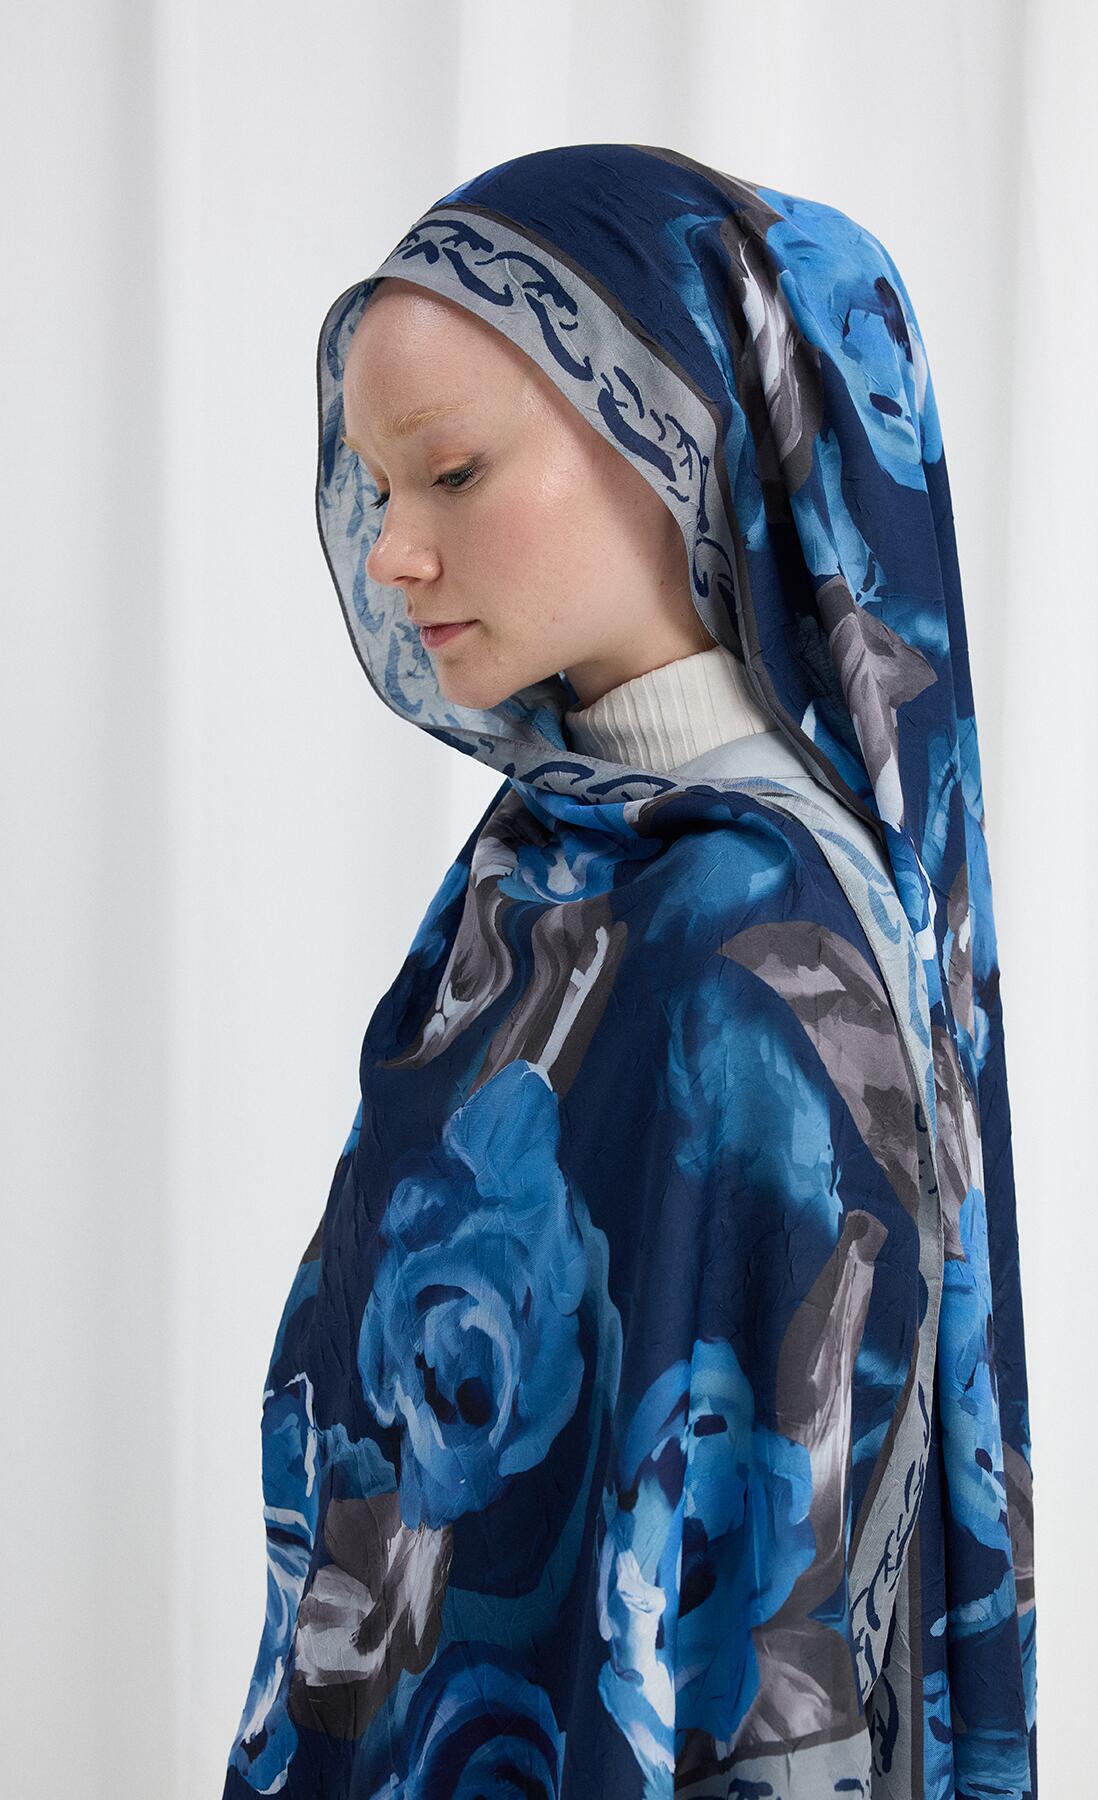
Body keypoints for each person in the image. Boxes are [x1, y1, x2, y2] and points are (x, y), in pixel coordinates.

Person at [222, 144, 1037, 1799]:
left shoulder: (758, 945)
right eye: (377, 487)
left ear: (685, 435)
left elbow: (750, 1639)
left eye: (452, 472)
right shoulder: (548, 862)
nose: (390, 552)